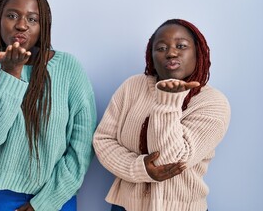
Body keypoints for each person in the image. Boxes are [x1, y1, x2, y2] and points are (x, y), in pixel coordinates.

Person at [0, 0, 97, 211]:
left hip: (56, 194)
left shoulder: (68, 68)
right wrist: (10, 73)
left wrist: (44, 203)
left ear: (44, 26)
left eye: (32, 19)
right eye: (12, 15)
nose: (22, 25)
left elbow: (82, 146)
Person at [93, 19, 231, 211]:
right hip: (125, 206)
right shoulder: (132, 86)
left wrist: (167, 101)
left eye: (181, 46)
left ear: (198, 52)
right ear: (151, 56)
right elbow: (103, 140)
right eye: (161, 48)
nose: (171, 53)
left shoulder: (213, 102)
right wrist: (140, 168)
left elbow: (171, 160)